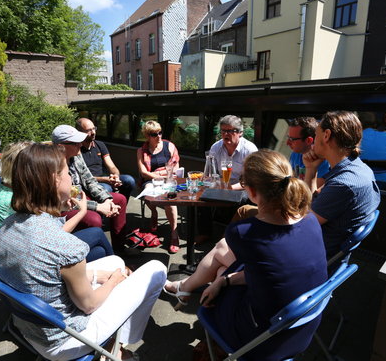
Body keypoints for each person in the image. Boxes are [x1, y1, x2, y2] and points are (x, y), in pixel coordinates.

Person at [0, 143, 167, 361]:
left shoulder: (9, 225)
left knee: (114, 260)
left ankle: (116, 343)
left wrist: (99, 275)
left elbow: (46, 270)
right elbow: (89, 305)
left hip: (30, 328)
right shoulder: (64, 245)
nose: (71, 179)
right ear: (54, 180)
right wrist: (114, 280)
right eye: (67, 172)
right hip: (66, 340)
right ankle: (118, 348)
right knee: (157, 269)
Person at [164, 149, 327, 360]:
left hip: (264, 341)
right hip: (302, 330)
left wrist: (222, 280)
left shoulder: (243, 233)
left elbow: (258, 269)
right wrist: (225, 281)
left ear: (250, 191)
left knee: (221, 268)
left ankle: (213, 343)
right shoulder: (311, 220)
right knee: (223, 271)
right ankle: (194, 304)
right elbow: (267, 273)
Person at [0, 141, 113, 261]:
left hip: (25, 255)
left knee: (100, 251)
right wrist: (82, 212)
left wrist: (62, 207)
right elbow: (49, 238)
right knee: (99, 241)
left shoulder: (13, 190)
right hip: (34, 257)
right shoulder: (16, 201)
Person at [303, 111, 381, 259]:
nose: (313, 139)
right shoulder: (358, 168)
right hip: (325, 243)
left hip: (313, 253)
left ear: (326, 135)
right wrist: (311, 169)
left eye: (316, 134)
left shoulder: (344, 184)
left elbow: (304, 222)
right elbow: (313, 201)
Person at [52, 125, 129, 254]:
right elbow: (64, 200)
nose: (80, 144)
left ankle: (119, 249)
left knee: (119, 199)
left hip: (81, 196)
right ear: (61, 146)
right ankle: (89, 253)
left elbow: (89, 180)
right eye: (75, 142)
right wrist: (98, 206)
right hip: (65, 205)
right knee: (94, 219)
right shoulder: (53, 165)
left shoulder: (76, 155)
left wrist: (107, 200)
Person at [197, 115, 258, 243]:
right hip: (221, 183)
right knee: (202, 195)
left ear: (240, 133)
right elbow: (208, 172)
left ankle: (230, 237)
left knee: (244, 199)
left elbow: (252, 180)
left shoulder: (249, 150)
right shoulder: (216, 147)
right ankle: (204, 232)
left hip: (243, 186)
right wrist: (212, 183)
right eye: (223, 131)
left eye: (230, 131)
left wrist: (231, 187)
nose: (226, 134)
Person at [137, 120, 180, 253]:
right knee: (149, 192)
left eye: (160, 132)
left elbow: (175, 168)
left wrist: (158, 173)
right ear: (147, 136)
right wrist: (158, 175)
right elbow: (143, 172)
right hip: (150, 180)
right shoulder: (141, 151)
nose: (159, 136)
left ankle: (174, 234)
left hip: (169, 179)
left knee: (170, 201)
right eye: (154, 134)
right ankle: (154, 212)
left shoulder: (170, 146)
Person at [76, 117, 135, 203]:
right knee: (107, 188)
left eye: (94, 128)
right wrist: (105, 179)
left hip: (105, 179)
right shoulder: (76, 149)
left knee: (129, 180)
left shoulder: (100, 145)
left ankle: (121, 207)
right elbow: (82, 177)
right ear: (80, 132)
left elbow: (111, 166)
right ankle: (108, 212)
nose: (93, 132)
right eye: (89, 130)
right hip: (90, 183)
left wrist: (115, 176)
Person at [286, 117, 329, 187]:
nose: (287, 143)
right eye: (288, 137)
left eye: (292, 139)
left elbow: (314, 195)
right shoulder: (295, 154)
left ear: (308, 140)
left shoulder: (322, 161)